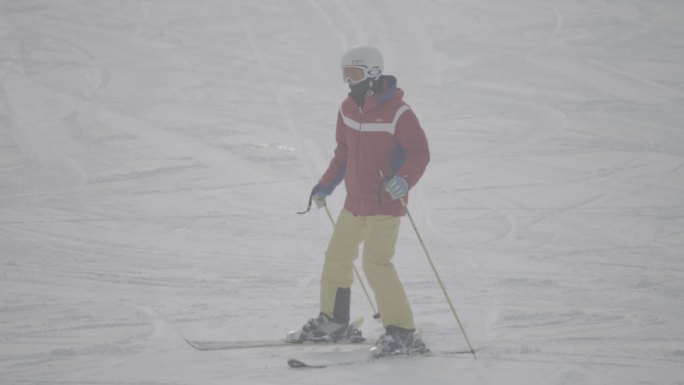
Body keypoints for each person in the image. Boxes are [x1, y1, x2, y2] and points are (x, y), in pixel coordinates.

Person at [292, 46, 430, 356]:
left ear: (372, 73)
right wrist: (325, 185)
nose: (348, 81)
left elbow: (419, 152)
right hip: (354, 202)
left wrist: (404, 179)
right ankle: (334, 321)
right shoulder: (347, 108)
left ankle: (402, 332)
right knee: (336, 257)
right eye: (345, 75)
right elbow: (343, 153)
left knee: (376, 263)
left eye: (353, 74)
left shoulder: (398, 112)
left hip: (385, 203)